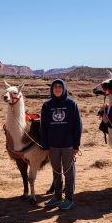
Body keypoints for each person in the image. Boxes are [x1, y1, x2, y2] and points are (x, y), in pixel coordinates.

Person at [40, 79, 82, 211]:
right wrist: (45, 146)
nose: (57, 89)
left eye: (60, 86)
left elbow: (77, 125)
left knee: (69, 172)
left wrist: (76, 145)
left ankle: (69, 198)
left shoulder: (71, 104)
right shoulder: (47, 105)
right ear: (52, 89)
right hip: (53, 145)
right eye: (55, 87)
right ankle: (57, 197)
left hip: (68, 145)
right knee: (56, 172)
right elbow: (43, 127)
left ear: (64, 88)